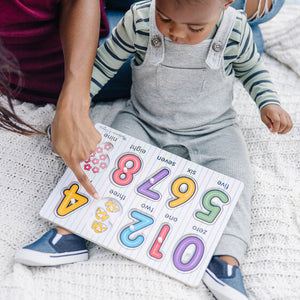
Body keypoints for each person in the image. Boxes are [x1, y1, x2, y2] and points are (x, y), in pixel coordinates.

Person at [15, 0, 293, 299]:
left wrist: (268, 103)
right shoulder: (140, 20)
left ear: (226, 4)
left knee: (237, 179)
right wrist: (71, 113)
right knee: (105, 157)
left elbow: (252, 70)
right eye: (165, 17)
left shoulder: (236, 29)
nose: (175, 33)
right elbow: (102, 64)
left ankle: (226, 261)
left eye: (195, 28)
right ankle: (68, 233)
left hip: (213, 129)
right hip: (143, 119)